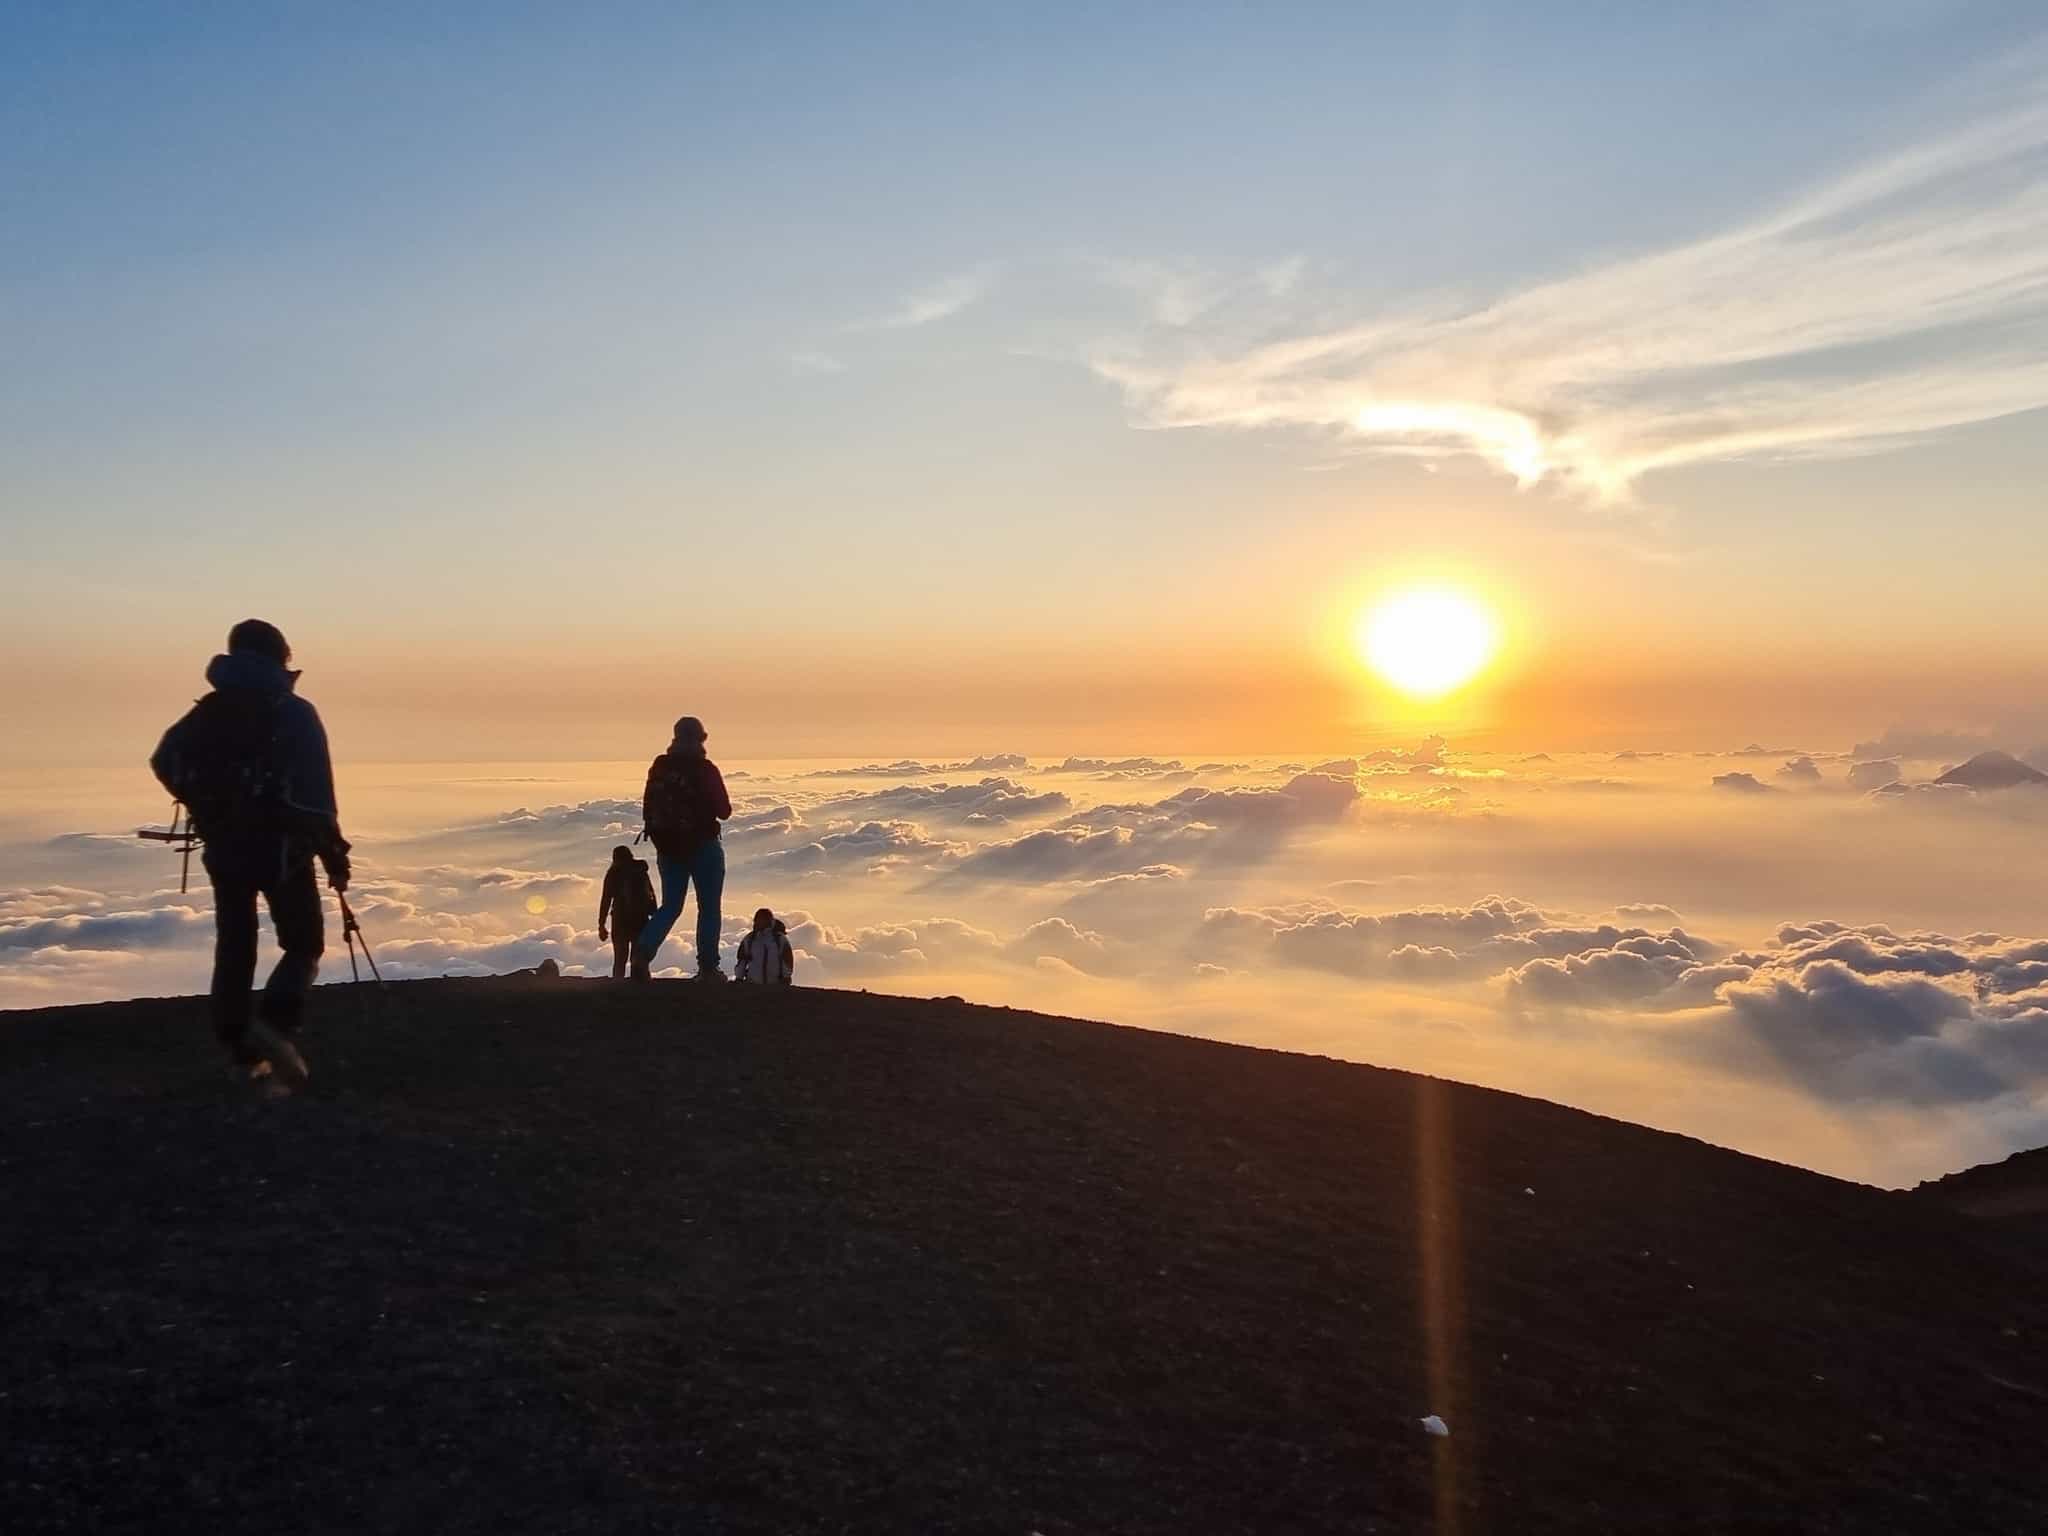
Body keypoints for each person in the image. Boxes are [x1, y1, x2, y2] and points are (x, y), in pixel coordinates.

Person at [150, 619, 349, 1092]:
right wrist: (333, 855)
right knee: (303, 942)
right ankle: (276, 1025)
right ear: (279, 656)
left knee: (235, 945)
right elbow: (317, 797)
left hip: (223, 846)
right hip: (283, 849)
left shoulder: (209, 712)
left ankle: (240, 1052)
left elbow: (163, 760)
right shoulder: (294, 713)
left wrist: (205, 802)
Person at [633, 715, 732, 980]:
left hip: (667, 848)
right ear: (701, 738)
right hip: (704, 847)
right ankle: (708, 968)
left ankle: (642, 953)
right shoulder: (706, 769)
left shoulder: (660, 766)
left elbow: (648, 804)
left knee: (671, 906)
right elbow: (725, 811)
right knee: (709, 908)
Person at [596, 844, 656, 980]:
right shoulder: (641, 870)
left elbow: (606, 899)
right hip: (641, 919)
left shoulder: (613, 873)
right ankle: (641, 987)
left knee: (620, 958)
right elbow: (651, 893)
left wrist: (601, 925)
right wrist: (655, 915)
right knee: (638, 957)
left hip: (620, 919)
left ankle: (618, 987)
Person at [735, 907, 794, 986]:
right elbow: (742, 960)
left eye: (763, 919)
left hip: (774, 986)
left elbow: (786, 961)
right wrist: (739, 977)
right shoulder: (749, 939)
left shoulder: (779, 939)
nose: (760, 922)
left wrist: (786, 978)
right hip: (754, 985)